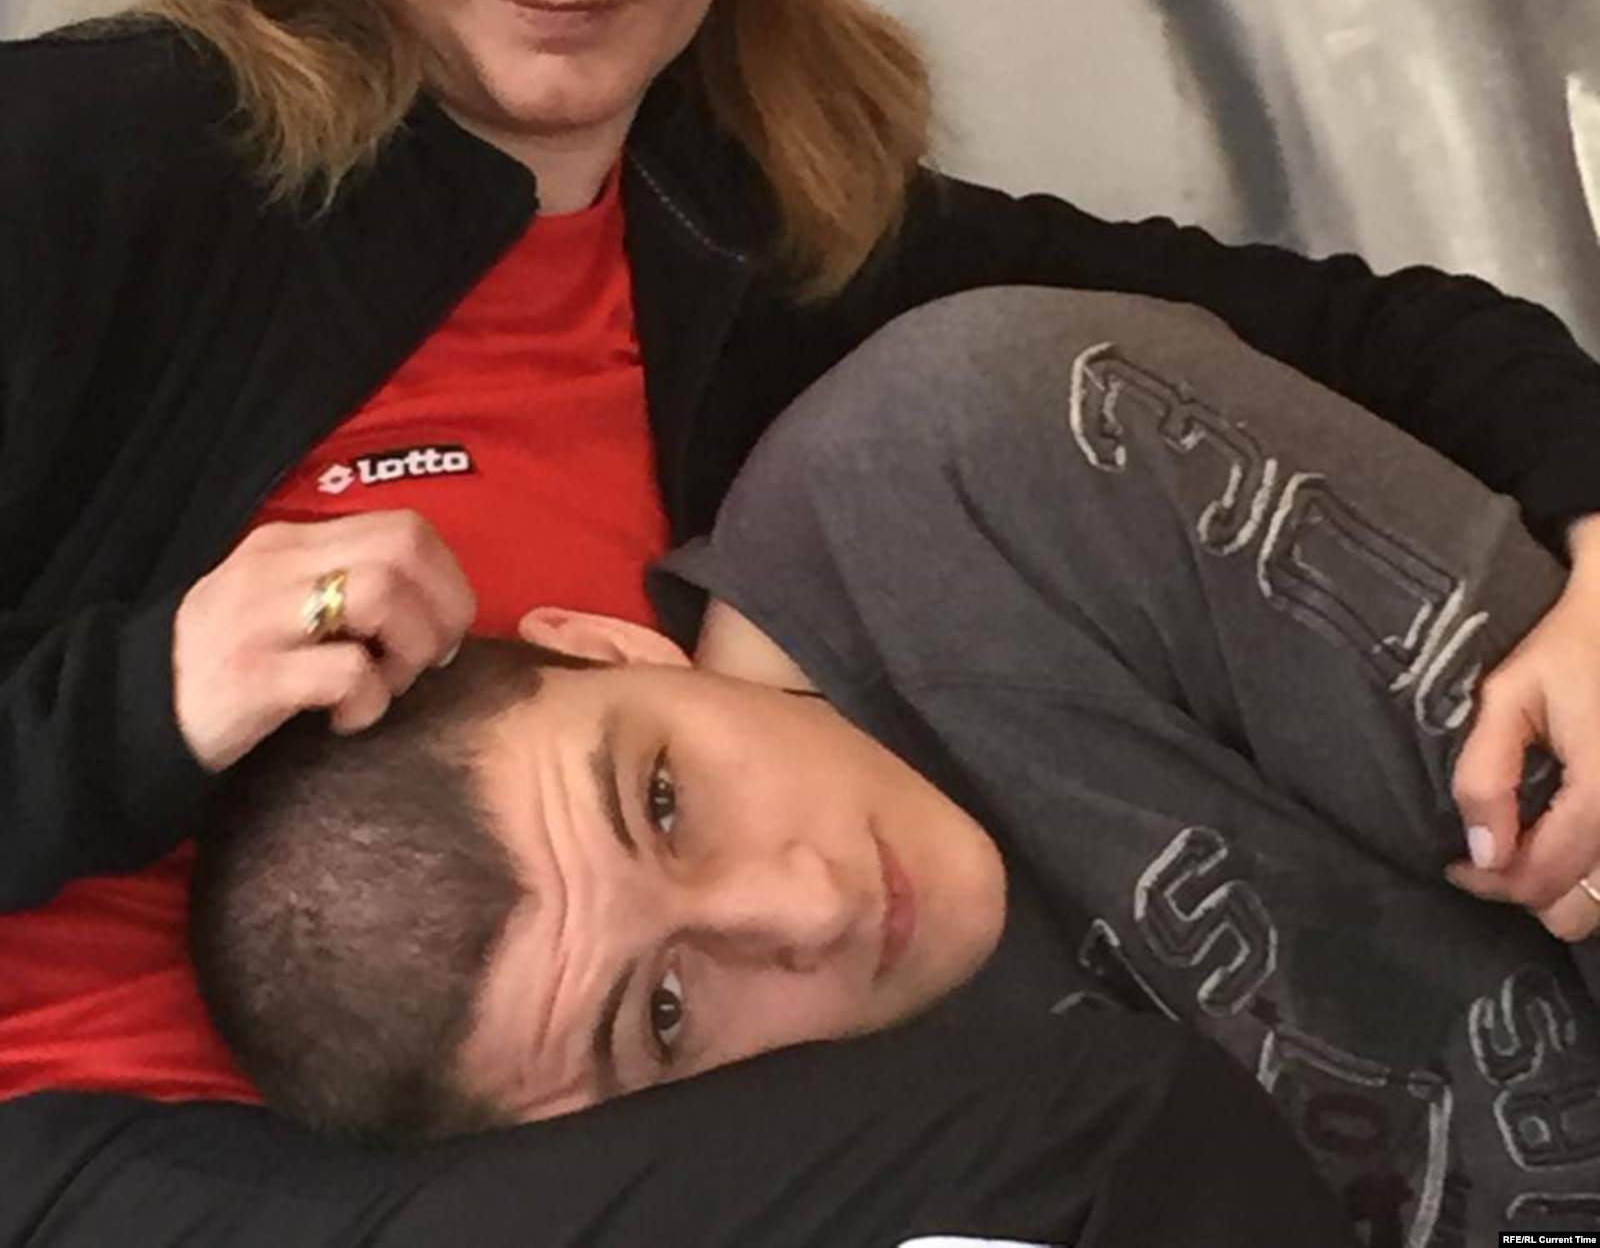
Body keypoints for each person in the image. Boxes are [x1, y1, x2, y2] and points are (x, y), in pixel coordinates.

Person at [2, 0, 1598, 1247]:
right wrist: (149, 691)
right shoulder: (89, 167)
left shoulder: (751, 229)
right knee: (1089, 1144)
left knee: (1087, 1112)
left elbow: (1372, 335)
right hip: (63, 1150)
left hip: (602, 1152)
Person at [191, 287, 1600, 1246]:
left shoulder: (982, 463)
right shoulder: (833, 1189)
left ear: (604, 645)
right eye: (665, 1012)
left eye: (664, 799)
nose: (809, 906)